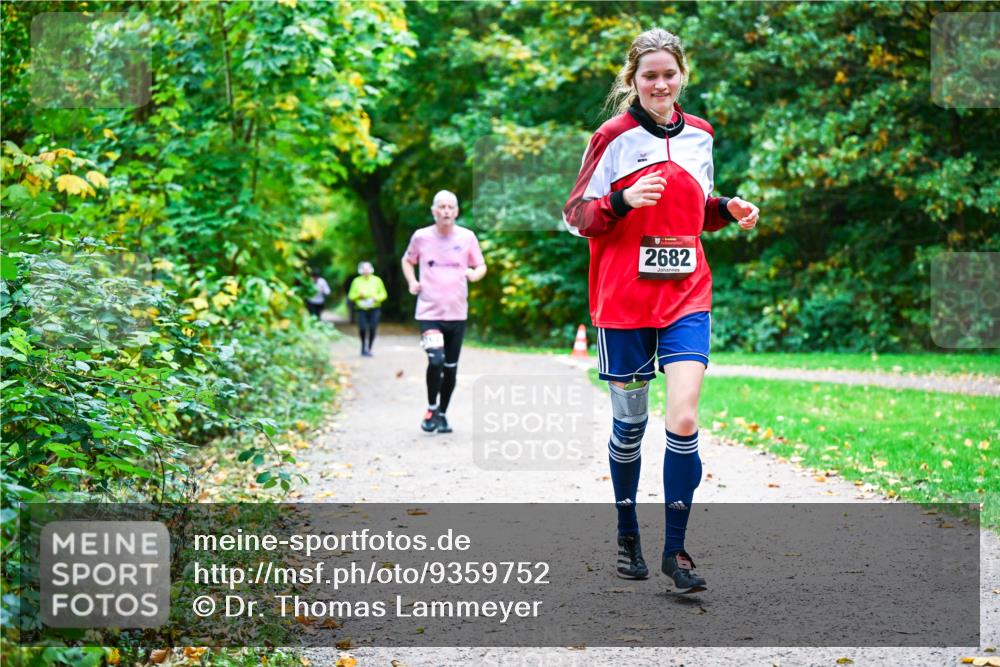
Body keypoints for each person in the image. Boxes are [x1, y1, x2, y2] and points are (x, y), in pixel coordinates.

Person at [563, 28, 760, 594]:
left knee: (684, 418)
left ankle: (677, 551)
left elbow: (694, 212)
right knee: (629, 427)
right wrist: (621, 201)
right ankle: (628, 533)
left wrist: (726, 208)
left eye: (668, 74)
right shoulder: (612, 137)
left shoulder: (701, 134)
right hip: (623, 301)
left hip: (685, 295)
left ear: (682, 76)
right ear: (633, 79)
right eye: (648, 75)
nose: (659, 84)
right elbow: (576, 215)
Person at [401, 190, 487, 434]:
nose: (446, 211)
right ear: (434, 211)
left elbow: (481, 265)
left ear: (456, 211)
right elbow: (407, 260)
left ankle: (442, 414)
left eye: (450, 207)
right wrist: (412, 282)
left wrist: (475, 274)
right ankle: (431, 408)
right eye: (442, 207)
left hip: (457, 313)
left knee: (450, 367)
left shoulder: (467, 237)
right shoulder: (421, 237)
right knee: (436, 360)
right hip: (429, 312)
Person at [348, 261, 387, 357]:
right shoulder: (356, 281)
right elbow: (351, 296)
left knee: (373, 328)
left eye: (368, 269)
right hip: (361, 309)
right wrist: (358, 295)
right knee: (362, 328)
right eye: (364, 269)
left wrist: (376, 298)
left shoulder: (377, 280)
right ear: (361, 270)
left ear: (371, 269)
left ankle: (369, 348)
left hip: (374, 308)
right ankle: (363, 347)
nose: (366, 271)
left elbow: (384, 294)